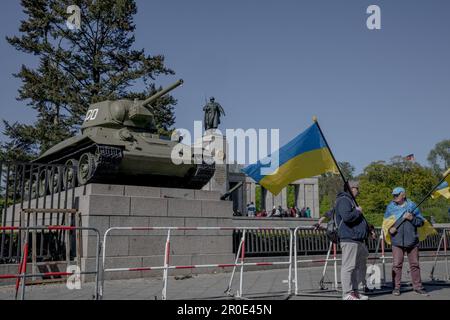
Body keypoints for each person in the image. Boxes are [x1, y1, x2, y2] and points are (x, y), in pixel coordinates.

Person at [384, 187, 428, 296]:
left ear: (403, 195)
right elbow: (385, 224)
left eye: (396, 195)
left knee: (415, 264)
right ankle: (396, 287)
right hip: (397, 241)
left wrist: (411, 218)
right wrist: (390, 230)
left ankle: (417, 286)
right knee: (397, 265)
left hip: (412, 241)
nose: (394, 197)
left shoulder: (412, 206)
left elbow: (421, 222)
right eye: (393, 195)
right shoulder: (390, 207)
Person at [336, 181, 370, 300]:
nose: (358, 190)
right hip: (349, 238)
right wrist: (358, 211)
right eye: (356, 188)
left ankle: (354, 292)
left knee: (355, 267)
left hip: (357, 238)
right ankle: (347, 293)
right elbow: (347, 217)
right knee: (348, 267)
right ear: (350, 189)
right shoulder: (344, 200)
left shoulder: (351, 201)